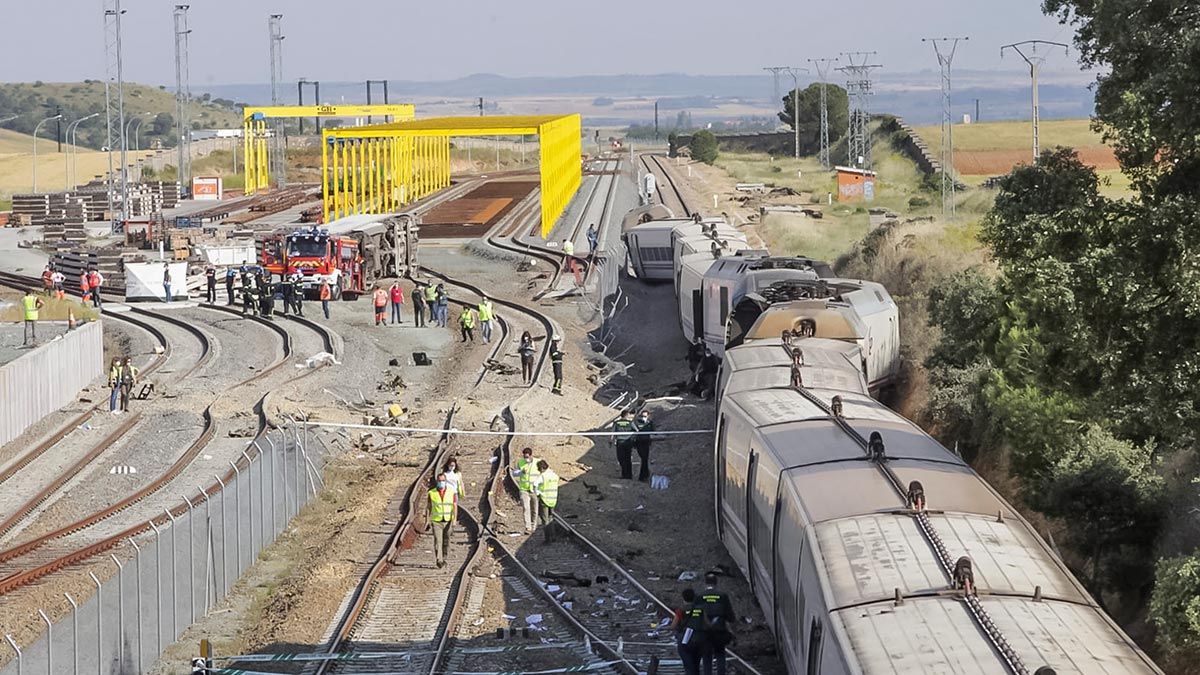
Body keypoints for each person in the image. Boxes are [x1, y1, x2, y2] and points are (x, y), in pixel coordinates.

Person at [696, 572, 735, 675]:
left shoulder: (700, 596)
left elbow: (696, 615)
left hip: (705, 632)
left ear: (706, 583)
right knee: (720, 654)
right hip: (719, 631)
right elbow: (730, 615)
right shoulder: (722, 596)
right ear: (716, 583)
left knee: (706, 656)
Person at [673, 588, 704, 675]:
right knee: (696, 666)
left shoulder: (680, 610)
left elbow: (673, 626)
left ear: (683, 598)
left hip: (685, 640)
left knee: (689, 667)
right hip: (698, 640)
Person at [428, 472, 455, 568]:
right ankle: (439, 560)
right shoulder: (432, 493)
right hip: (436, 521)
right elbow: (429, 507)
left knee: (446, 540)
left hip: (448, 520)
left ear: (446, 481)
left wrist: (454, 519)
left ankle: (444, 557)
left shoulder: (451, 492)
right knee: (437, 541)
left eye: (443, 481)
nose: (441, 482)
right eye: (439, 481)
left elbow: (454, 506)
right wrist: (428, 520)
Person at [510, 447, 540, 534]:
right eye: (524, 457)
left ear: (531, 455)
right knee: (526, 508)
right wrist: (520, 472)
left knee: (535, 509)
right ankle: (528, 527)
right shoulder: (520, 462)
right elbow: (514, 473)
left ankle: (534, 526)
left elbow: (543, 473)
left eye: (527, 457)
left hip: (534, 489)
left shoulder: (537, 462)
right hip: (524, 489)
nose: (526, 459)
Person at [534, 459, 559, 541]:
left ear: (541, 468)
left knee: (545, 520)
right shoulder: (555, 475)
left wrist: (537, 493)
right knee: (551, 518)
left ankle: (548, 538)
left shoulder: (543, 476)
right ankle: (554, 536)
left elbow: (535, 484)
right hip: (553, 499)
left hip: (544, 499)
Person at [612, 409, 637, 480]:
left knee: (621, 459)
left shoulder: (616, 423)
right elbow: (637, 431)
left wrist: (610, 441)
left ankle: (624, 475)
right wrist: (633, 439)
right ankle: (629, 476)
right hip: (628, 443)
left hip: (620, 443)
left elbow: (612, 434)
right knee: (628, 459)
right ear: (627, 415)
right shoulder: (630, 423)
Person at [633, 409, 655, 482]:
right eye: (642, 416)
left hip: (646, 442)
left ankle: (643, 475)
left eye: (645, 416)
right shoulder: (637, 422)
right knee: (643, 458)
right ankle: (644, 475)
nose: (643, 417)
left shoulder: (650, 423)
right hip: (639, 442)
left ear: (648, 416)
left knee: (645, 459)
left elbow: (653, 431)